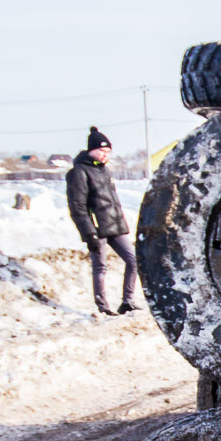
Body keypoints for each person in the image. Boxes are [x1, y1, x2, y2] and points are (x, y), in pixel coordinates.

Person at [66, 126, 140, 316]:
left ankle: (128, 301)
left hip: (114, 225)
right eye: (102, 151)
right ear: (91, 150)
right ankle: (103, 306)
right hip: (97, 229)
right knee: (100, 267)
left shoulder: (104, 171)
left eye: (108, 152)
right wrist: (88, 232)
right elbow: (78, 206)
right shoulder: (79, 172)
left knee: (133, 261)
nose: (105, 155)